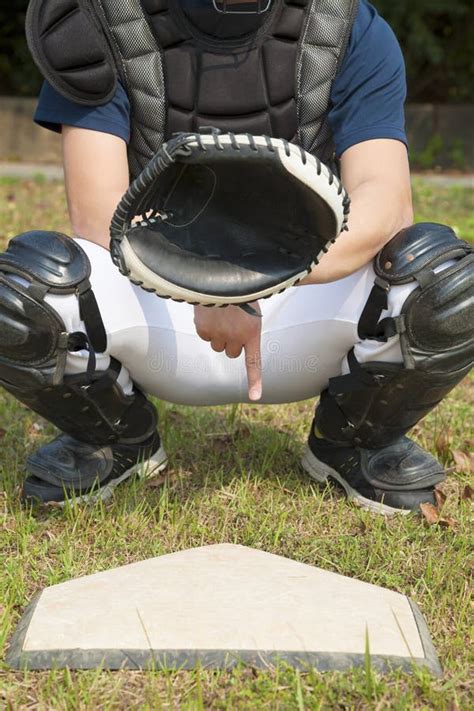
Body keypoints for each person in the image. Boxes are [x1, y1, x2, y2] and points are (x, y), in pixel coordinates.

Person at [0, 0, 471, 512]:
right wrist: (204, 281)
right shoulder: (100, 21)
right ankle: (112, 437)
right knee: (24, 291)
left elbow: (385, 204)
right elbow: (98, 212)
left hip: (299, 308)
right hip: (159, 311)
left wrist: (246, 280)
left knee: (445, 281)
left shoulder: (349, 24)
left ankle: (355, 440)